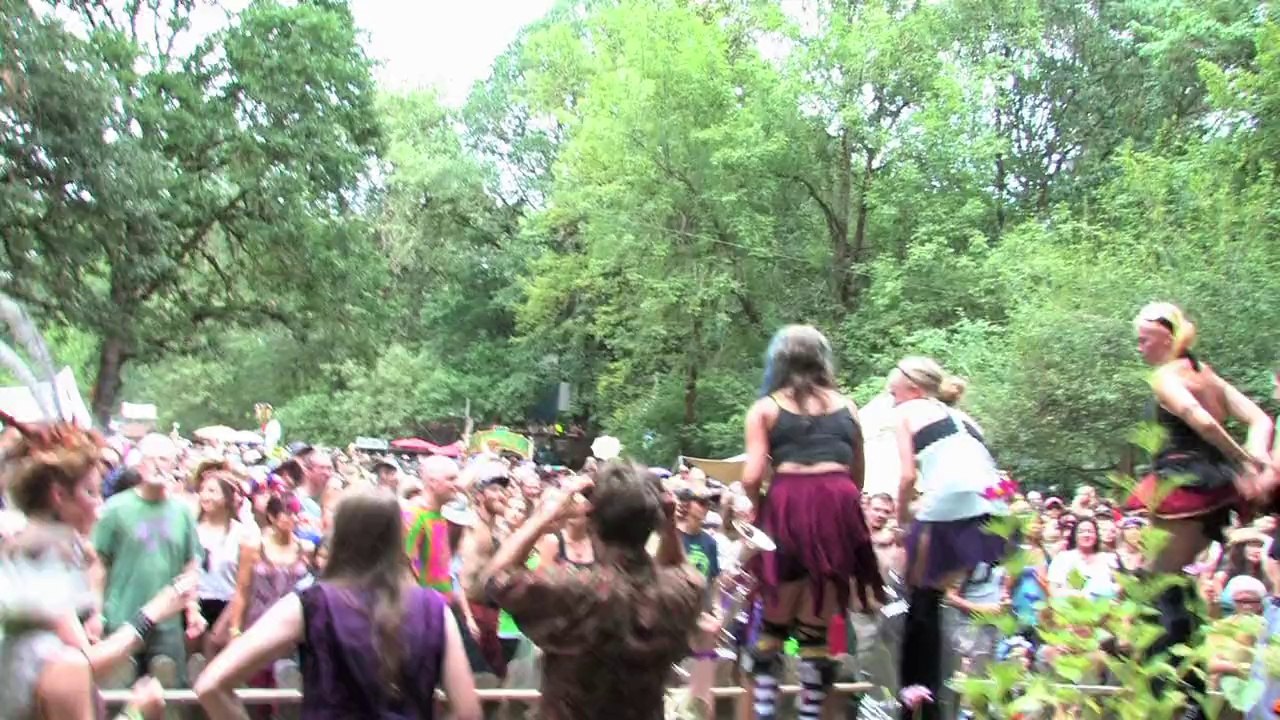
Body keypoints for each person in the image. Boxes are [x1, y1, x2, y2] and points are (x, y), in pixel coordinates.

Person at [195, 491, 481, 720]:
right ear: (398, 539)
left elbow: (210, 686)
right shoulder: (435, 610)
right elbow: (468, 712)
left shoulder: (311, 603)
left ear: (340, 536)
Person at [1128, 302, 1273, 710]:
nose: (1139, 348)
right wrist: (1252, 453)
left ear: (1168, 337)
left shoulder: (1166, 377)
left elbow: (1203, 422)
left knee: (1156, 587)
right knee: (1171, 584)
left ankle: (1172, 700)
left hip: (1185, 483)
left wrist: (1244, 459)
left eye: (1145, 339)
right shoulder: (1207, 375)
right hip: (1214, 486)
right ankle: (1183, 689)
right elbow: (1260, 420)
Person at [482, 462, 705, 720]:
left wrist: (545, 514)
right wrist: (668, 524)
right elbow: (682, 571)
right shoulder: (678, 593)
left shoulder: (576, 592)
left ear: (592, 521)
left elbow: (496, 577)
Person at [741, 325, 883, 720]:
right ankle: (809, 714)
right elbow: (858, 474)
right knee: (819, 624)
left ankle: (766, 712)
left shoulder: (766, 409)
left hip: (788, 502)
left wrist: (758, 511)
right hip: (839, 501)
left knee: (773, 622)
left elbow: (751, 476)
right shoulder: (849, 407)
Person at [889, 356, 1013, 720]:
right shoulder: (968, 420)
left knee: (920, 603)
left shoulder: (907, 413)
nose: (890, 397)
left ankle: (917, 699)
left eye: (892, 390)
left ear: (912, 389)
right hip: (993, 512)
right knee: (936, 601)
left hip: (951, 505)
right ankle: (937, 699)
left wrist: (900, 525)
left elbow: (908, 478)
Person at [93, 432, 206, 688]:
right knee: (117, 691)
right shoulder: (115, 509)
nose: (157, 465)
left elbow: (191, 565)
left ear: (174, 464)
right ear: (139, 464)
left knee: (167, 695)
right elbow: (99, 564)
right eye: (151, 458)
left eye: (164, 459)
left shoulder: (183, 512)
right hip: (121, 619)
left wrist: (193, 609)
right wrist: (96, 614)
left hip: (167, 625)